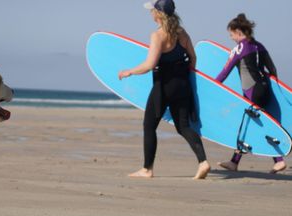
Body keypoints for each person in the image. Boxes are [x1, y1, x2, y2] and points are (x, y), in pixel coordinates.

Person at [118, 0, 211, 179]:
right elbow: (193, 57)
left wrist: (130, 71)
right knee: (183, 126)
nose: (150, 13)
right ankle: (203, 161)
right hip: (182, 85)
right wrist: (186, 78)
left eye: (152, 10)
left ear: (159, 13)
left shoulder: (158, 35)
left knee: (149, 125)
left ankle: (147, 169)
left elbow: (150, 64)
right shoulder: (182, 33)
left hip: (164, 86)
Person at [215, 13, 287, 174]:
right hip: (265, 89)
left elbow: (225, 72)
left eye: (231, 33)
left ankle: (279, 160)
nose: (231, 37)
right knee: (250, 124)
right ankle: (235, 162)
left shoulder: (239, 48)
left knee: (250, 125)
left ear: (238, 31)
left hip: (252, 92)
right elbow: (273, 70)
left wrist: (212, 87)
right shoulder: (259, 46)